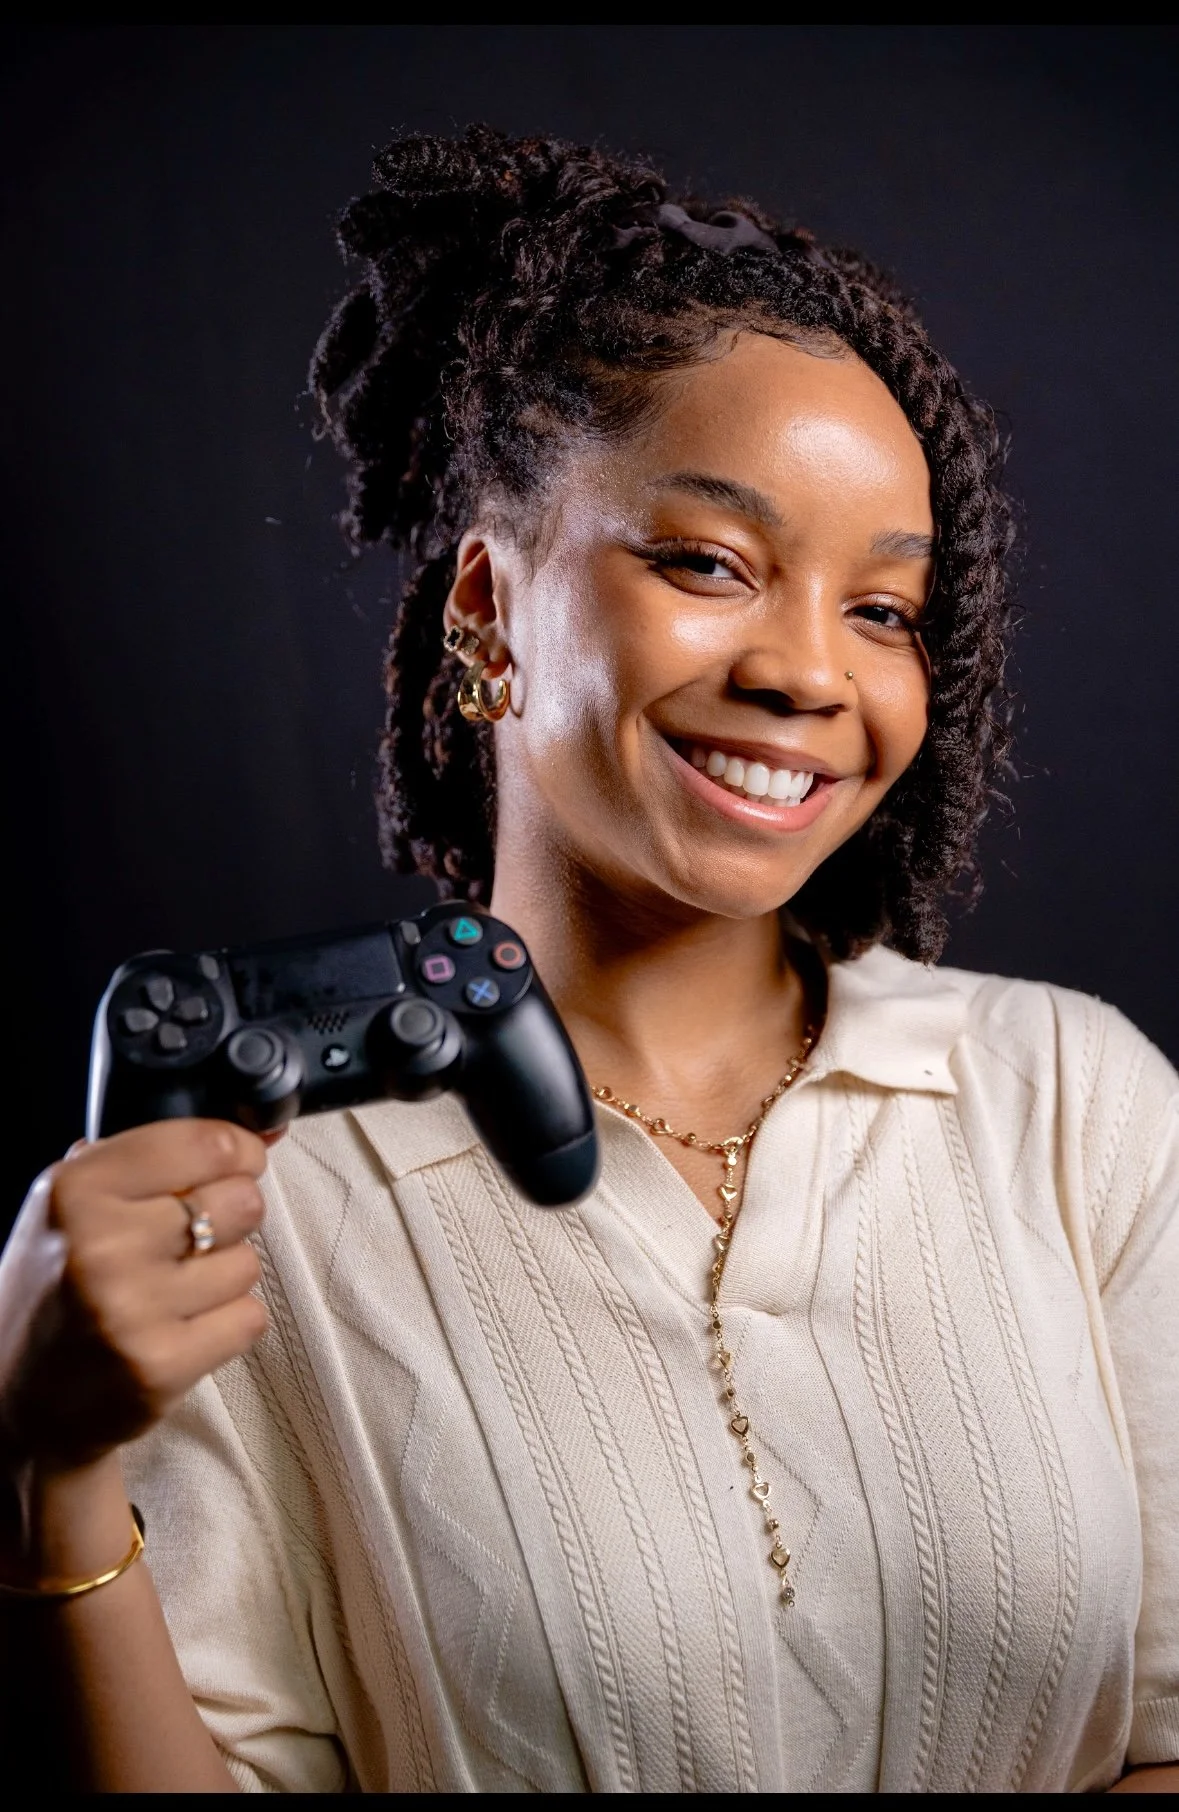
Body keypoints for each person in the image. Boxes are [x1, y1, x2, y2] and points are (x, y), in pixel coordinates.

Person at [0, 126, 1175, 1794]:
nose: (806, 673)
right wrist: (52, 1468)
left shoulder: (1075, 1106)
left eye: (884, 611)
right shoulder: (263, 1201)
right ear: (487, 603)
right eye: (707, 563)